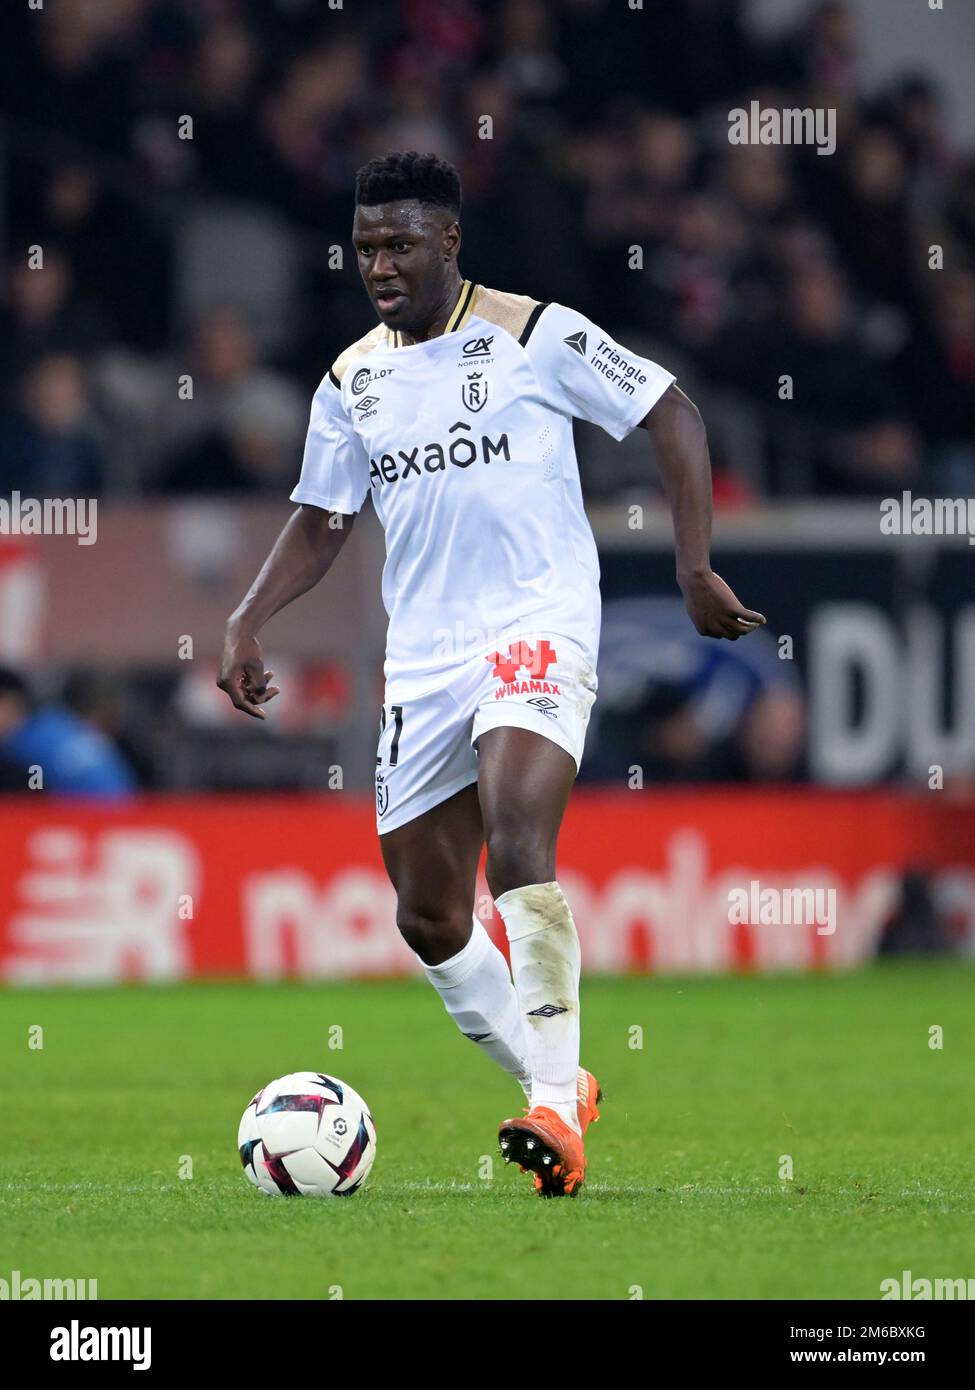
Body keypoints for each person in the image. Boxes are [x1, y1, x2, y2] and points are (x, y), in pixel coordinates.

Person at [217, 151, 765, 1198]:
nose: (379, 263)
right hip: (422, 653)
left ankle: (552, 1108)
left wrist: (694, 564)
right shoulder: (351, 377)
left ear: (450, 242)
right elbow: (326, 517)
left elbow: (673, 411)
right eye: (366, 245)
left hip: (537, 619)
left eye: (400, 244)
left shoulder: (532, 333)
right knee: (427, 914)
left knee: (519, 836)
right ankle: (563, 1086)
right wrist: (248, 617)